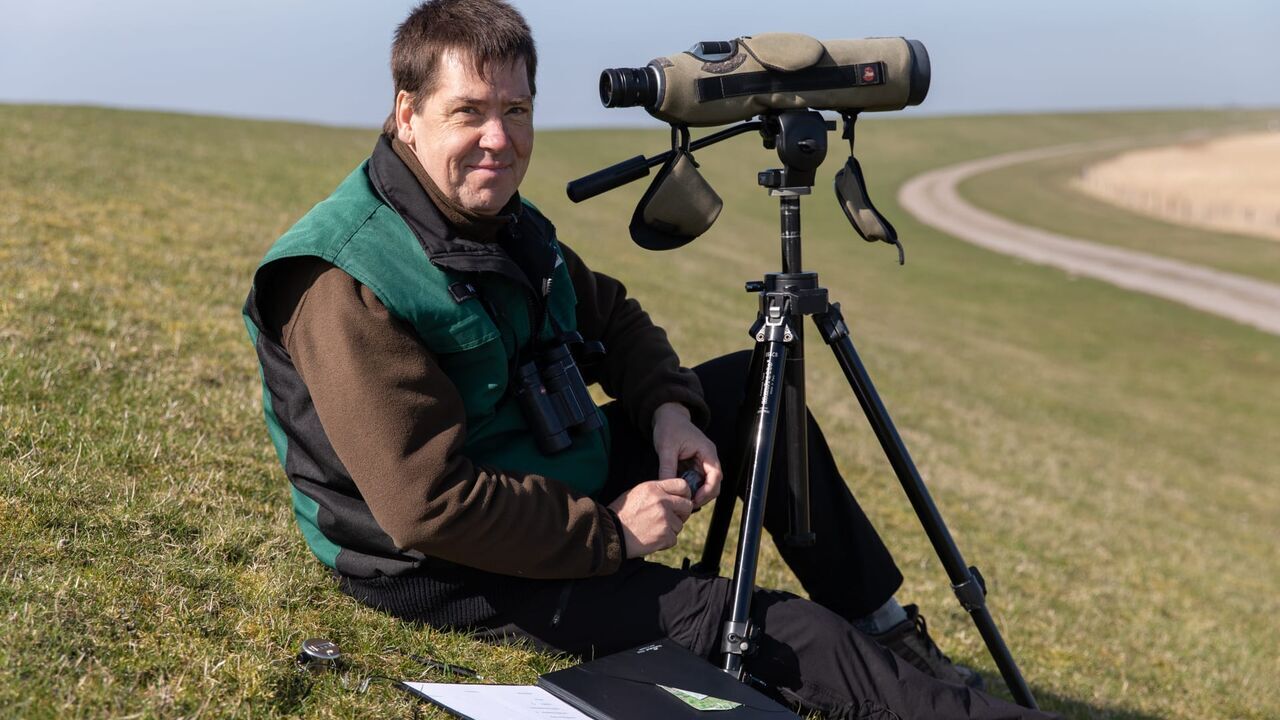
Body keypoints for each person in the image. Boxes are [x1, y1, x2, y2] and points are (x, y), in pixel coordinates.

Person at [243, 2, 1054, 717]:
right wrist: (611, 534)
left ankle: (889, 634)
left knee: (751, 389)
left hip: (541, 472)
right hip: (446, 564)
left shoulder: (494, 224)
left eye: (516, 109)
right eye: (471, 113)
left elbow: (614, 316)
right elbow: (427, 507)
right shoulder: (344, 279)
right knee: (770, 626)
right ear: (406, 113)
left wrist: (671, 410)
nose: (499, 138)